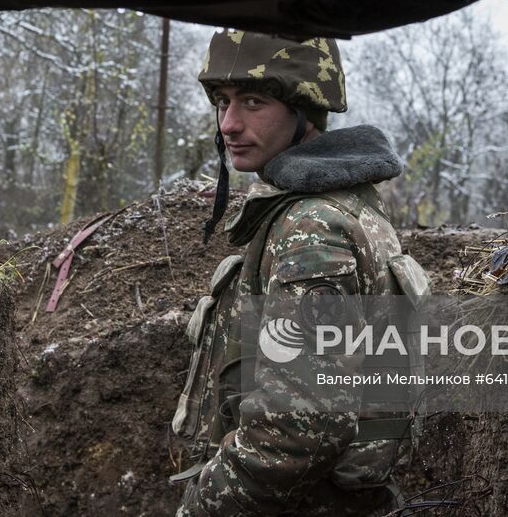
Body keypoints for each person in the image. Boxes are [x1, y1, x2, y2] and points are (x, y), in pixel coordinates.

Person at [172, 30, 429, 517]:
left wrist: (200, 508)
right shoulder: (345, 206)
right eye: (222, 102)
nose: (228, 124)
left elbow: (299, 426)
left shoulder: (312, 226)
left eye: (253, 102)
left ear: (305, 112)